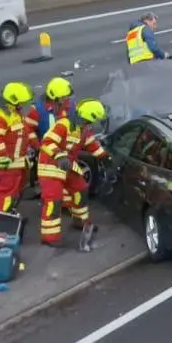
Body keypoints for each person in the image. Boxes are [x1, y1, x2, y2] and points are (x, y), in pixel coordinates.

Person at [36, 99, 109, 247]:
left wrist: (105, 157)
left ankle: (80, 221)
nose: (91, 125)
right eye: (91, 121)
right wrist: (59, 155)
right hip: (50, 166)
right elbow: (47, 142)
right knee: (54, 200)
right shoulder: (64, 125)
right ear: (85, 117)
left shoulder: (84, 129)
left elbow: (92, 145)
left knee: (81, 189)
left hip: (68, 165)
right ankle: (50, 237)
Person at [0, 82, 32, 228]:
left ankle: (5, 220)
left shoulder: (12, 113)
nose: (23, 105)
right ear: (14, 100)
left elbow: (20, 134)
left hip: (10, 165)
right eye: (21, 102)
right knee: (4, 196)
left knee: (10, 194)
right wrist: (3, 156)